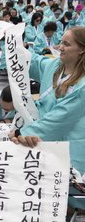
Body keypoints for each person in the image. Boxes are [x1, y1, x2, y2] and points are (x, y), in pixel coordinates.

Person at [11, 27, 85, 174]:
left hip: (70, 147)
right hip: (43, 139)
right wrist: (12, 42)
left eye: (67, 44)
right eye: (61, 42)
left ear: (82, 49)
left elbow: (60, 117)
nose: (60, 48)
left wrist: (22, 133)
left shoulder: (82, 85)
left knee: (64, 187)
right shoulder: (54, 66)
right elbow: (30, 61)